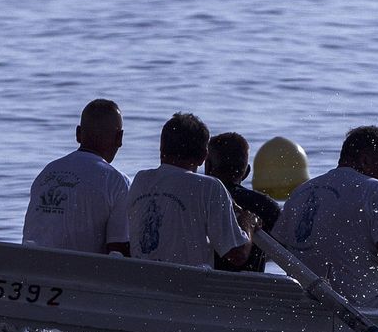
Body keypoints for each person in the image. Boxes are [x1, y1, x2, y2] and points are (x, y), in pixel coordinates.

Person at [270, 126, 378, 308]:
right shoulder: (376, 191)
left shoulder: (302, 191)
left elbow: (278, 250)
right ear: (365, 161)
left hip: (305, 306)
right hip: (361, 307)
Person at [128, 113, 256, 268]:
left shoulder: (141, 179)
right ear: (204, 157)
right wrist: (248, 223)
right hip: (188, 287)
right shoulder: (209, 187)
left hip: (141, 282)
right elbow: (237, 255)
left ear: (161, 148)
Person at [22, 99, 130, 255]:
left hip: (32, 267)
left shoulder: (46, 173)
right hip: (81, 275)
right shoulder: (117, 182)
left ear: (78, 134)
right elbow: (118, 250)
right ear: (119, 138)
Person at [205, 132, 282, 272]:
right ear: (246, 172)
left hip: (201, 286)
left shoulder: (199, 199)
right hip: (251, 289)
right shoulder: (266, 207)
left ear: (208, 167)